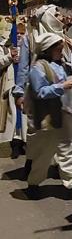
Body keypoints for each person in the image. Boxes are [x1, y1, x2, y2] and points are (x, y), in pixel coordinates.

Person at [25, 32, 72, 200]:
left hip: (64, 112)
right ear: (48, 49)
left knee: (67, 148)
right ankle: (33, 183)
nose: (61, 52)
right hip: (49, 116)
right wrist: (61, 87)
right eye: (59, 49)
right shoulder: (39, 67)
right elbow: (39, 92)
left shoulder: (64, 64)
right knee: (45, 151)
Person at [0, 24, 27, 158]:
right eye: (16, 34)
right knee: (12, 116)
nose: (18, 36)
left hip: (24, 86)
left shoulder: (28, 47)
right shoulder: (4, 47)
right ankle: (14, 144)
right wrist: (9, 57)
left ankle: (23, 142)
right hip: (10, 85)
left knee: (24, 115)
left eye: (21, 34)